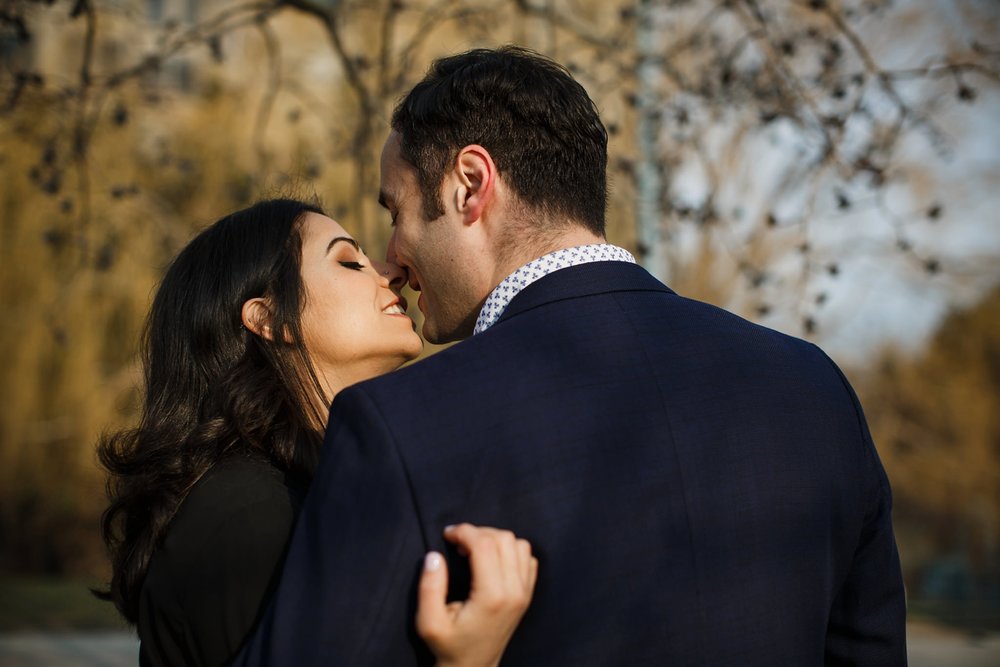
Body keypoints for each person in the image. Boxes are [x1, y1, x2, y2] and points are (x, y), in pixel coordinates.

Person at [232, 46, 907, 665]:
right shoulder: (813, 387)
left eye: (395, 211)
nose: (393, 260)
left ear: (470, 184)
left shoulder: (399, 425)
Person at [96, 199, 538, 667]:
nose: (393, 272)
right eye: (349, 261)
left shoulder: (310, 488)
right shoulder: (248, 512)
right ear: (269, 319)